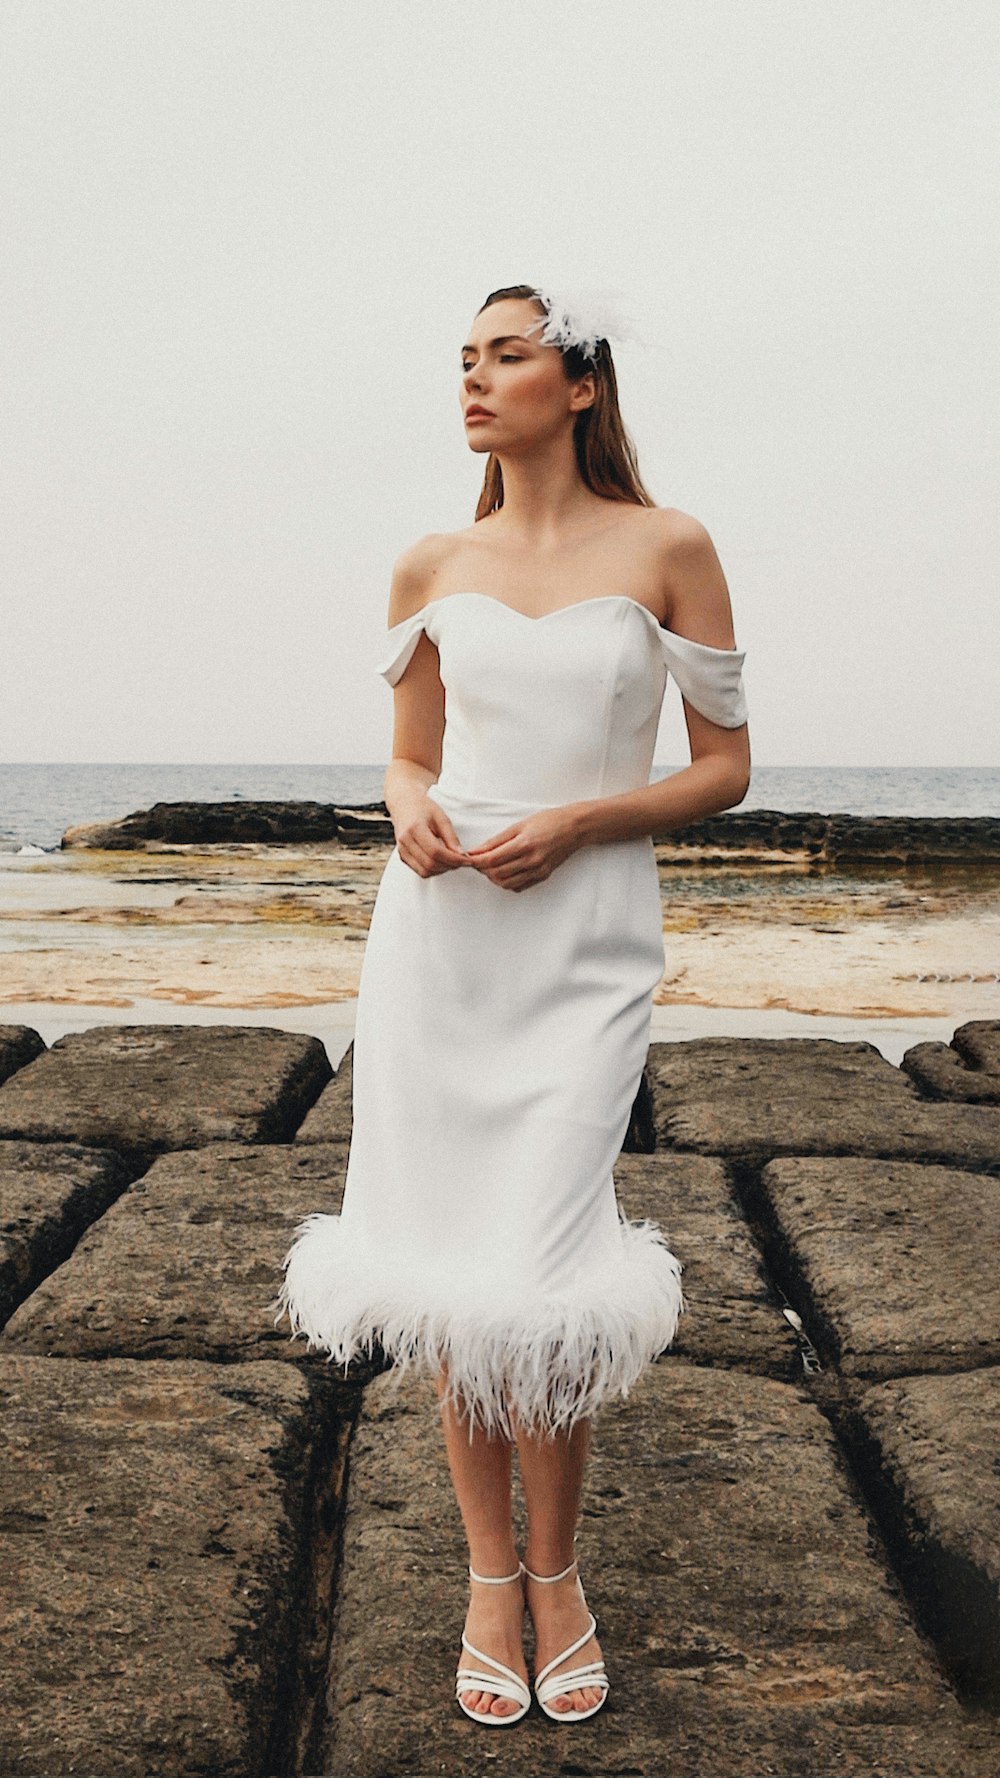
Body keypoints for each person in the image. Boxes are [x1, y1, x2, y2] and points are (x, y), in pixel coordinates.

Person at [271, 282, 750, 1727]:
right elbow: (410, 759)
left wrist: (585, 821)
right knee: (447, 1261)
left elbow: (724, 766)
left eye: (507, 353)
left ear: (583, 382)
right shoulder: (430, 559)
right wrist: (410, 814)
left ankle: (565, 1569)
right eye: (463, 359)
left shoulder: (670, 546)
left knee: (542, 1262)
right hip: (443, 938)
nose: (474, 378)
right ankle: (497, 1580)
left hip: (587, 940)